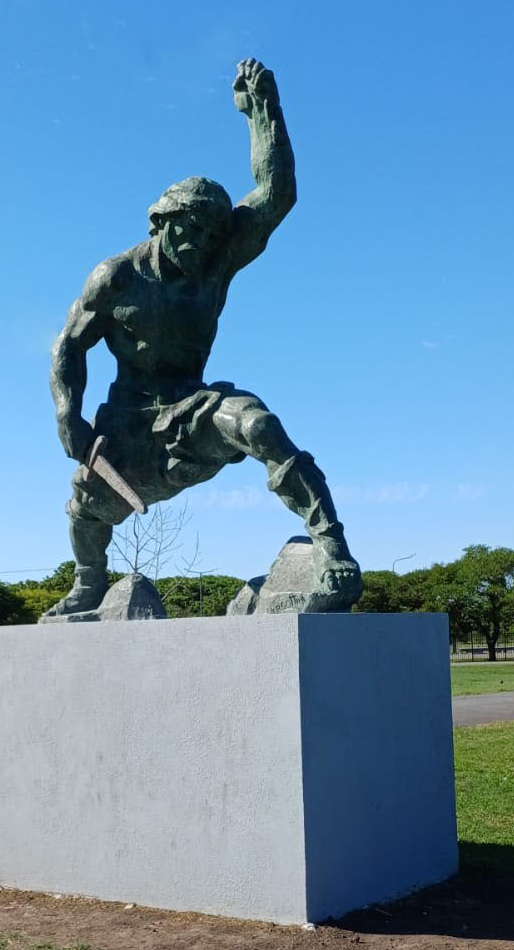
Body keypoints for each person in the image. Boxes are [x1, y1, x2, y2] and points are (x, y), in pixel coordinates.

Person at [46, 57, 361, 617]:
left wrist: (262, 111)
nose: (197, 242)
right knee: (85, 509)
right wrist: (69, 416)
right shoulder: (116, 276)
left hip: (192, 406)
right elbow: (70, 344)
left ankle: (332, 546)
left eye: (209, 232)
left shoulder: (217, 260)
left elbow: (276, 193)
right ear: (159, 223)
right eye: (186, 229)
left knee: (258, 424)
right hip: (128, 421)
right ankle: (89, 580)